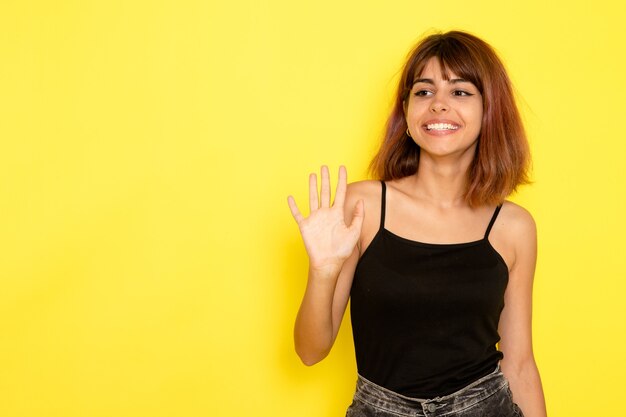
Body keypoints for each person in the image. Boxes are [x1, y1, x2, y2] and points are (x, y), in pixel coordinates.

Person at [287, 30, 547, 417]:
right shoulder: (362, 207)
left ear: (489, 110)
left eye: (460, 92)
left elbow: (520, 364)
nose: (439, 105)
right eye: (424, 92)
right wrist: (322, 271)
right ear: (406, 113)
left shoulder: (513, 227)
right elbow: (311, 351)